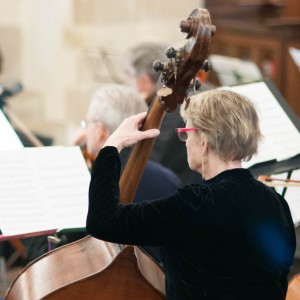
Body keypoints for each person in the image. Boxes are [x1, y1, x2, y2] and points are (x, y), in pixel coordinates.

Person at [86, 89, 296, 299]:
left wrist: (112, 145)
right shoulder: (276, 203)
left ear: (204, 141)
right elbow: (279, 282)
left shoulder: (193, 205)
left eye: (187, 133)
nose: (185, 141)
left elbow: (102, 221)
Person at [84, 83, 181, 264]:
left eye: (87, 124)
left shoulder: (94, 181)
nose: (84, 131)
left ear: (100, 132)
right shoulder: (169, 178)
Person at [124, 42, 205, 185]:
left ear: (144, 81)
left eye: (130, 77)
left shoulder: (170, 109)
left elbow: (145, 165)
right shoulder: (181, 95)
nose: (128, 84)